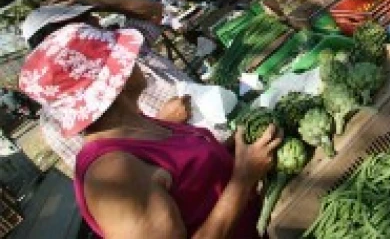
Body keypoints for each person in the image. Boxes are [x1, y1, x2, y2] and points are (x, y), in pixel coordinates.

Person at [19, 22, 279, 237]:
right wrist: (243, 179)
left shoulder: (135, 123)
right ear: (111, 84)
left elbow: (190, 179)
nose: (134, 60)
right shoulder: (112, 172)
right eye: (122, 59)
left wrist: (236, 145)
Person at [20, 0, 220, 170]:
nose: (96, 19)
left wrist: (96, 2)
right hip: (194, 167)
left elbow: (154, 12)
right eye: (84, 19)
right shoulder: (57, 117)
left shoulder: (121, 43)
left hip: (217, 128)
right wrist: (165, 122)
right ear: (59, 38)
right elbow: (108, 172)